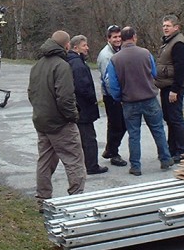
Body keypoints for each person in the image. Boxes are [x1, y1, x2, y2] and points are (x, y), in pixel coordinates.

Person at [28, 30, 86, 211]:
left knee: (45, 161)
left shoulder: (37, 65)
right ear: (67, 45)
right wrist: (73, 116)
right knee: (74, 160)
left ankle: (42, 200)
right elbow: (65, 97)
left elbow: (31, 93)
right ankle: (76, 200)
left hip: (41, 121)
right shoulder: (62, 66)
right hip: (60, 123)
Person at [105, 26, 173, 176]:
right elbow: (154, 73)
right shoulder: (146, 53)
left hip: (129, 102)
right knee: (158, 130)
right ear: (134, 37)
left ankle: (136, 166)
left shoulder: (115, 59)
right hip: (149, 98)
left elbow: (112, 84)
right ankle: (165, 159)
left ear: (121, 39)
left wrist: (118, 98)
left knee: (134, 134)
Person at [67, 35, 109, 175]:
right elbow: (82, 87)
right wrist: (92, 99)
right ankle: (92, 165)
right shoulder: (78, 65)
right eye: (84, 45)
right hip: (83, 108)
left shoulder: (73, 62)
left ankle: (83, 163)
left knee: (81, 138)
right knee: (89, 138)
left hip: (78, 107)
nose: (87, 48)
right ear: (75, 47)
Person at [155, 14, 184, 163]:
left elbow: (181, 69)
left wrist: (175, 90)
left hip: (174, 87)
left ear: (176, 27)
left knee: (176, 119)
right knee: (169, 119)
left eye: (168, 26)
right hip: (166, 86)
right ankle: (172, 149)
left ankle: (183, 151)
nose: (165, 28)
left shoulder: (179, 44)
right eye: (164, 26)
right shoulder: (168, 42)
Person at [96, 25, 128, 167]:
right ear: (109, 38)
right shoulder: (106, 55)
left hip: (119, 93)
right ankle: (114, 154)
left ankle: (110, 149)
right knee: (117, 125)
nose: (117, 39)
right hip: (112, 95)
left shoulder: (120, 51)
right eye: (114, 37)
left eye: (119, 36)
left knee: (121, 124)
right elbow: (108, 79)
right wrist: (117, 97)